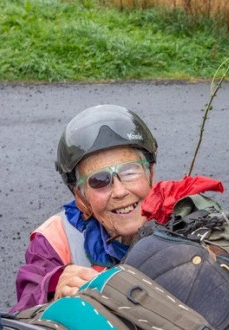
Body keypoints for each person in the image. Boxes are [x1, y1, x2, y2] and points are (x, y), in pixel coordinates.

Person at [11, 105, 160, 312]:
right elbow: (21, 317)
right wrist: (52, 292)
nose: (119, 191)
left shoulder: (188, 218)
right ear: (79, 195)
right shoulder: (54, 239)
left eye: (129, 171)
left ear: (150, 173)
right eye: (99, 180)